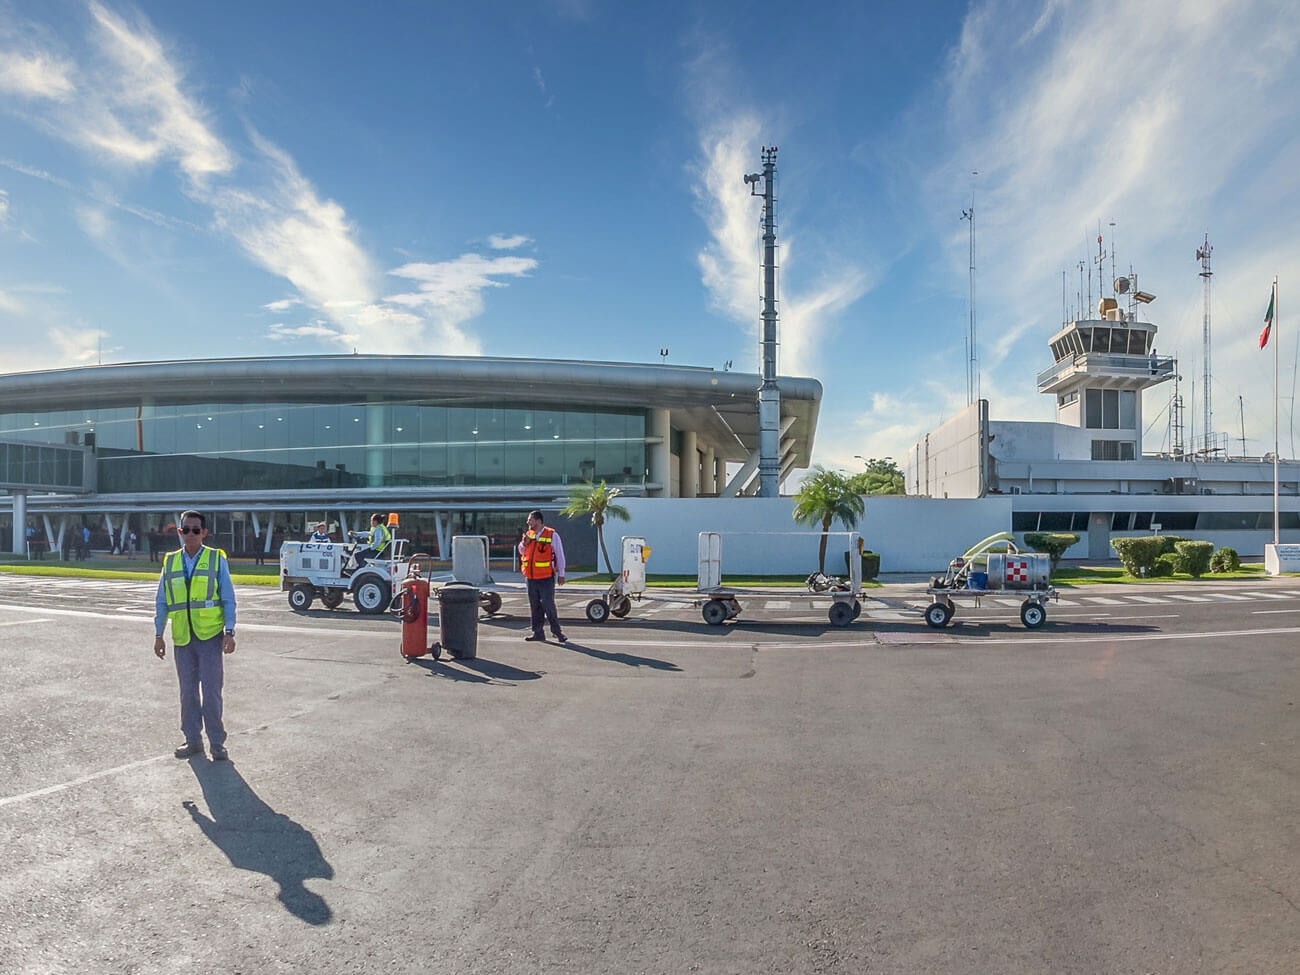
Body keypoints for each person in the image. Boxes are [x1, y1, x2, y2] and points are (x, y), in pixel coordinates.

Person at [153, 510, 237, 761]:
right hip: (182, 638)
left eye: (195, 529)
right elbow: (162, 601)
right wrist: (159, 634)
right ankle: (192, 740)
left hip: (210, 636)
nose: (190, 534)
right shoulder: (170, 561)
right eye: (185, 529)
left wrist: (230, 631)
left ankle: (216, 742)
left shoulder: (216, 559)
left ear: (204, 533)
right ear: (179, 532)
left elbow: (228, 598)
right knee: (187, 692)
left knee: (211, 691)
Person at [517, 509, 567, 643]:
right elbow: (522, 551)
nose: (528, 522)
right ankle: (537, 632)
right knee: (535, 606)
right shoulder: (529, 534)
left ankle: (557, 632)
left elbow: (560, 555)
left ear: (538, 521)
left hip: (545, 577)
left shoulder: (552, 535)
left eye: (530, 519)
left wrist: (561, 574)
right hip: (531, 578)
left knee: (548, 604)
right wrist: (523, 543)